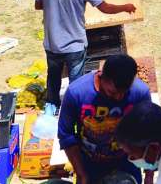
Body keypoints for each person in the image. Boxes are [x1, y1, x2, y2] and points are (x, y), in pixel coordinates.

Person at [34, 0, 137, 108]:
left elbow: (38, 5)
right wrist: (125, 7)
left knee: (53, 77)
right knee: (76, 84)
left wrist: (56, 3)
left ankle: (51, 107)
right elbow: (105, 8)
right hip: (74, 45)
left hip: (52, 43)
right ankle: (74, 109)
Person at [58, 55, 151, 184]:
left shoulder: (140, 93)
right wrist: (81, 174)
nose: (118, 97)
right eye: (112, 92)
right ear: (101, 76)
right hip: (89, 163)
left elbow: (148, 133)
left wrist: (149, 175)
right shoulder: (76, 93)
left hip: (127, 162)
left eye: (124, 92)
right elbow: (66, 135)